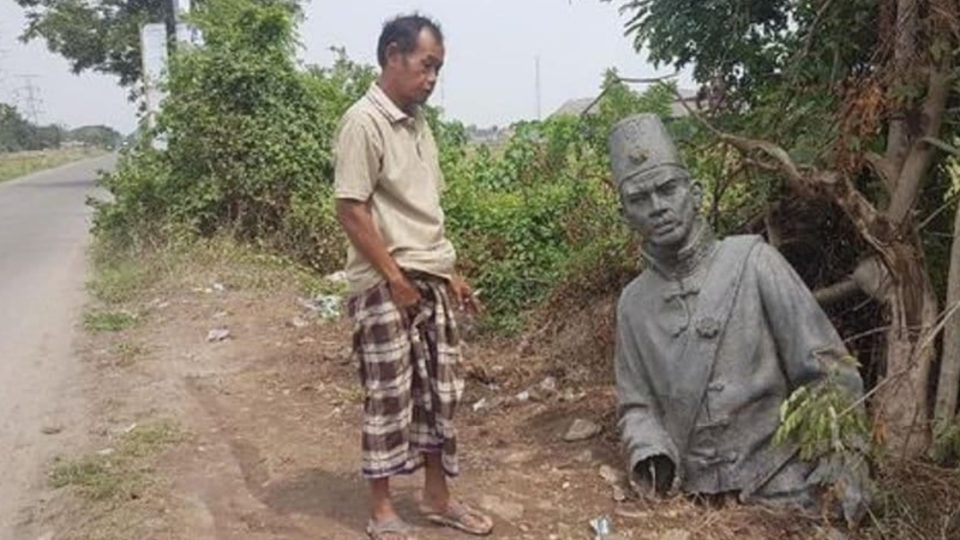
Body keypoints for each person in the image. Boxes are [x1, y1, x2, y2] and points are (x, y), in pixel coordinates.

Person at [610, 114, 870, 523]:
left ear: (694, 193)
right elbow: (636, 405)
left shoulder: (755, 262)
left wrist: (844, 464)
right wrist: (649, 450)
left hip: (785, 484)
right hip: (692, 500)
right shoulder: (633, 304)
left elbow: (829, 371)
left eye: (667, 190)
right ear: (626, 216)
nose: (658, 207)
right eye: (641, 199)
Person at [333, 13, 494, 540]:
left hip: (430, 278)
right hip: (386, 284)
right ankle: (382, 512)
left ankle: (438, 498)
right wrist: (395, 278)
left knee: (438, 395)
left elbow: (425, 210)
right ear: (393, 55)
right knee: (390, 395)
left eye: (438, 68)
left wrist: (453, 273)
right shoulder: (364, 122)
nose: (432, 78)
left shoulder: (420, 123)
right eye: (426, 65)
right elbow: (352, 208)